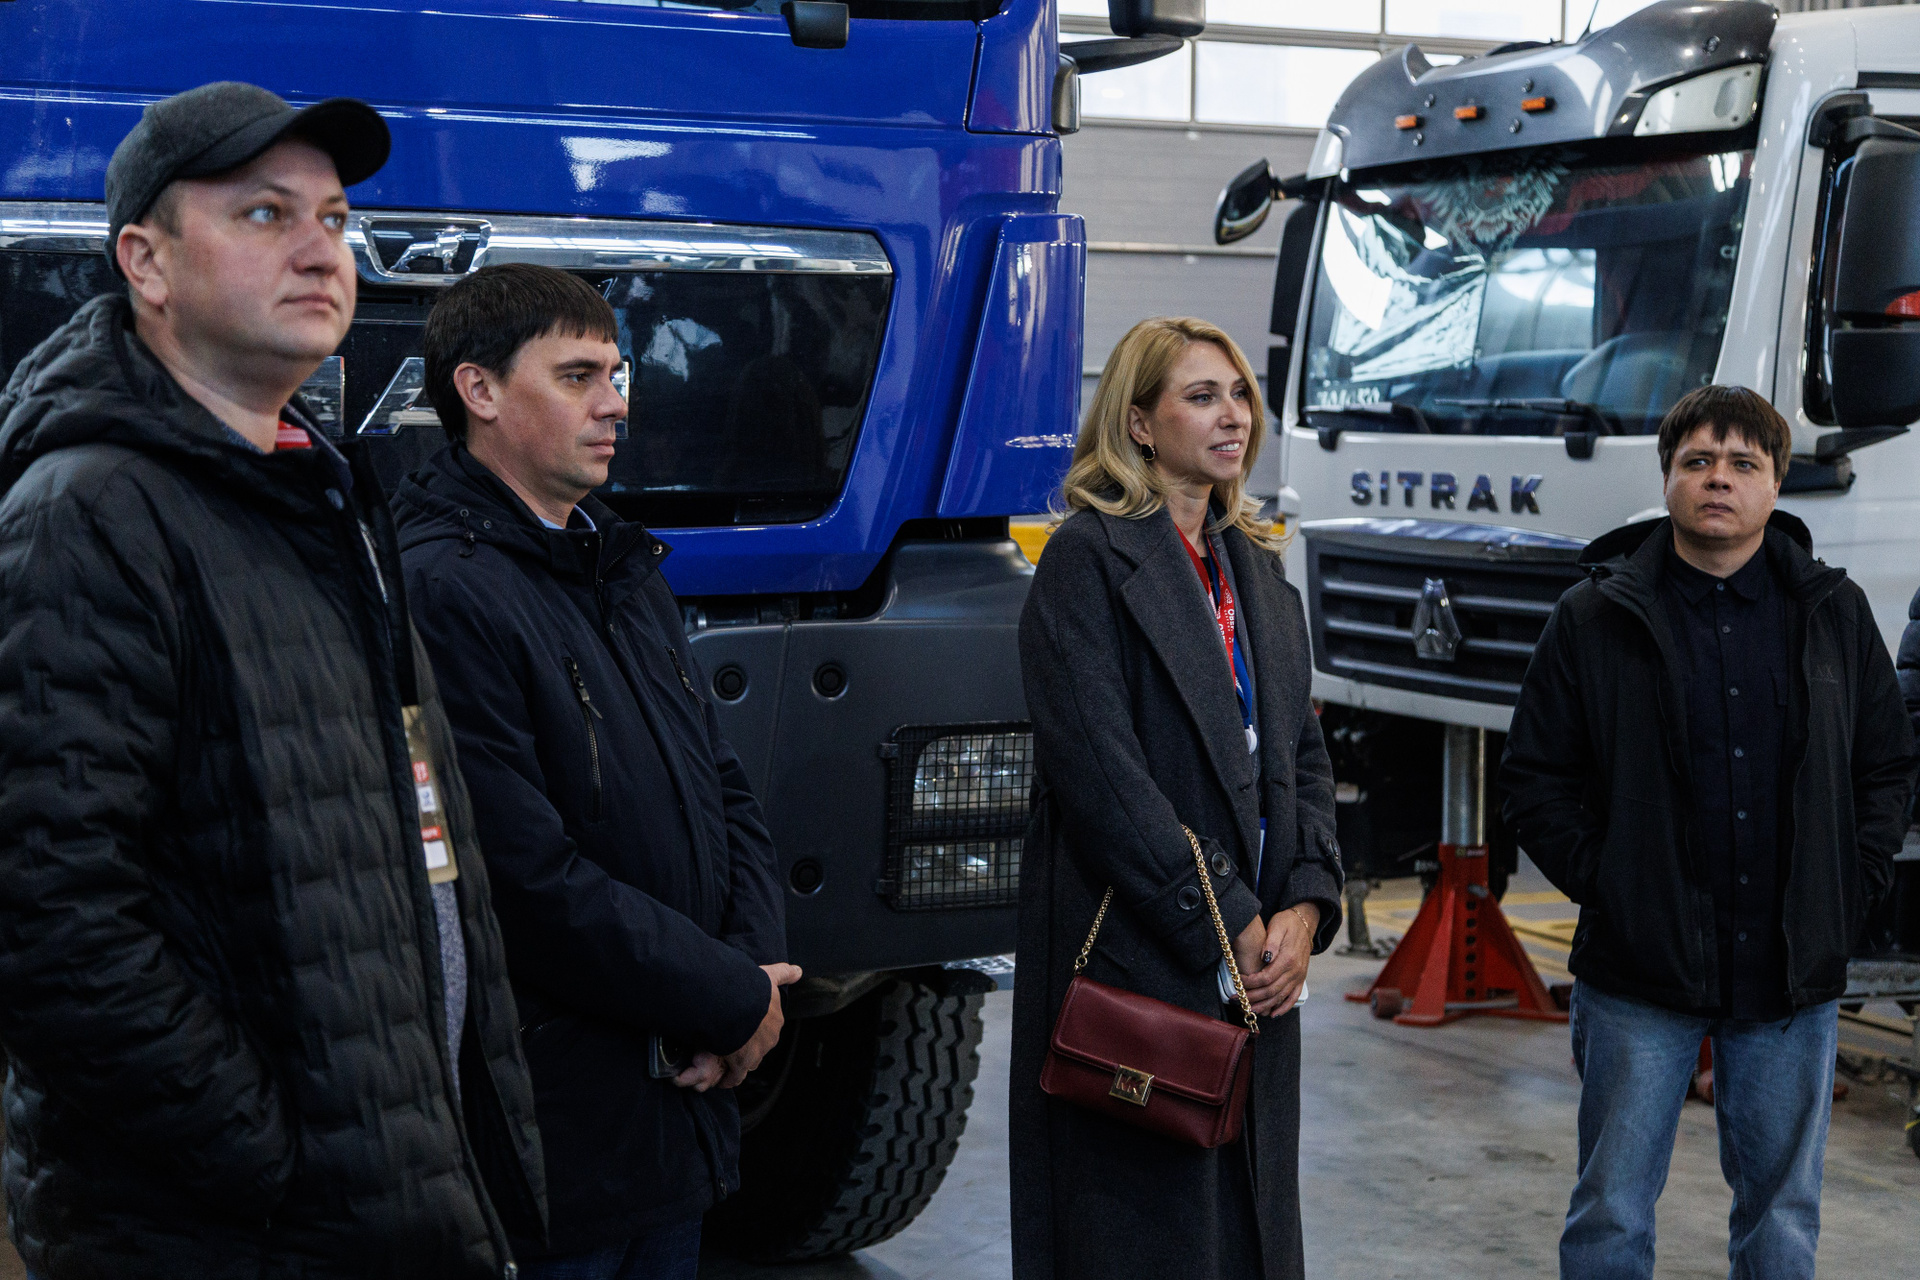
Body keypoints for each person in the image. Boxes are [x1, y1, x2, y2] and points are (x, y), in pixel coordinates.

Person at [0, 83, 544, 1279]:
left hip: (377, 1205)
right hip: (229, 1229)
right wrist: (268, 1155)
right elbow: (50, 920)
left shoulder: (320, 492)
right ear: (145, 262)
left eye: (334, 217)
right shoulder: (88, 512)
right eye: (263, 214)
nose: (321, 249)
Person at [390, 263, 796, 1280]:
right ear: (479, 390)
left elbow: (724, 786)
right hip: (556, 1141)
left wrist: (752, 973)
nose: (615, 402)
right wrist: (726, 994)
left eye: (615, 375)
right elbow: (518, 879)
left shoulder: (620, 567)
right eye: (577, 376)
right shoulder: (443, 590)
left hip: (673, 1113)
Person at [1500, 385, 1916, 1279]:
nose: (1717, 479)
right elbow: (1535, 777)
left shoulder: (1834, 613)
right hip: (1638, 973)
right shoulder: (1594, 618)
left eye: (1741, 463)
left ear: (1775, 486)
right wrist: (1613, 883)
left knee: (1781, 1213)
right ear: (1667, 480)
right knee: (1611, 1209)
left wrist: (1849, 885)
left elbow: (1886, 766)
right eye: (1697, 461)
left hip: (1787, 973)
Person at [1009, 316, 1342, 1280]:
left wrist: (1306, 907)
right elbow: (1104, 780)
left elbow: (1304, 757)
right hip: (1145, 955)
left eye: (1239, 395)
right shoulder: (1087, 561)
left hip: (1260, 960)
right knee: (1149, 1234)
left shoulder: (1259, 572)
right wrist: (1228, 917)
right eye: (1202, 397)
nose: (1233, 415)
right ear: (1140, 423)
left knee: (1250, 1230)